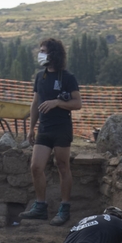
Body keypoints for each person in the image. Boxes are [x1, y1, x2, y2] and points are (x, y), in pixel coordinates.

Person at [19, 38, 83, 226]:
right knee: (36, 167)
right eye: (40, 50)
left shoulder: (68, 77)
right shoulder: (40, 76)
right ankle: (40, 207)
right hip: (44, 129)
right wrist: (31, 127)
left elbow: (77, 103)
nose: (40, 54)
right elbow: (35, 103)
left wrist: (57, 103)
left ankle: (65, 208)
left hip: (62, 128)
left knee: (63, 166)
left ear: (54, 54)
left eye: (43, 51)